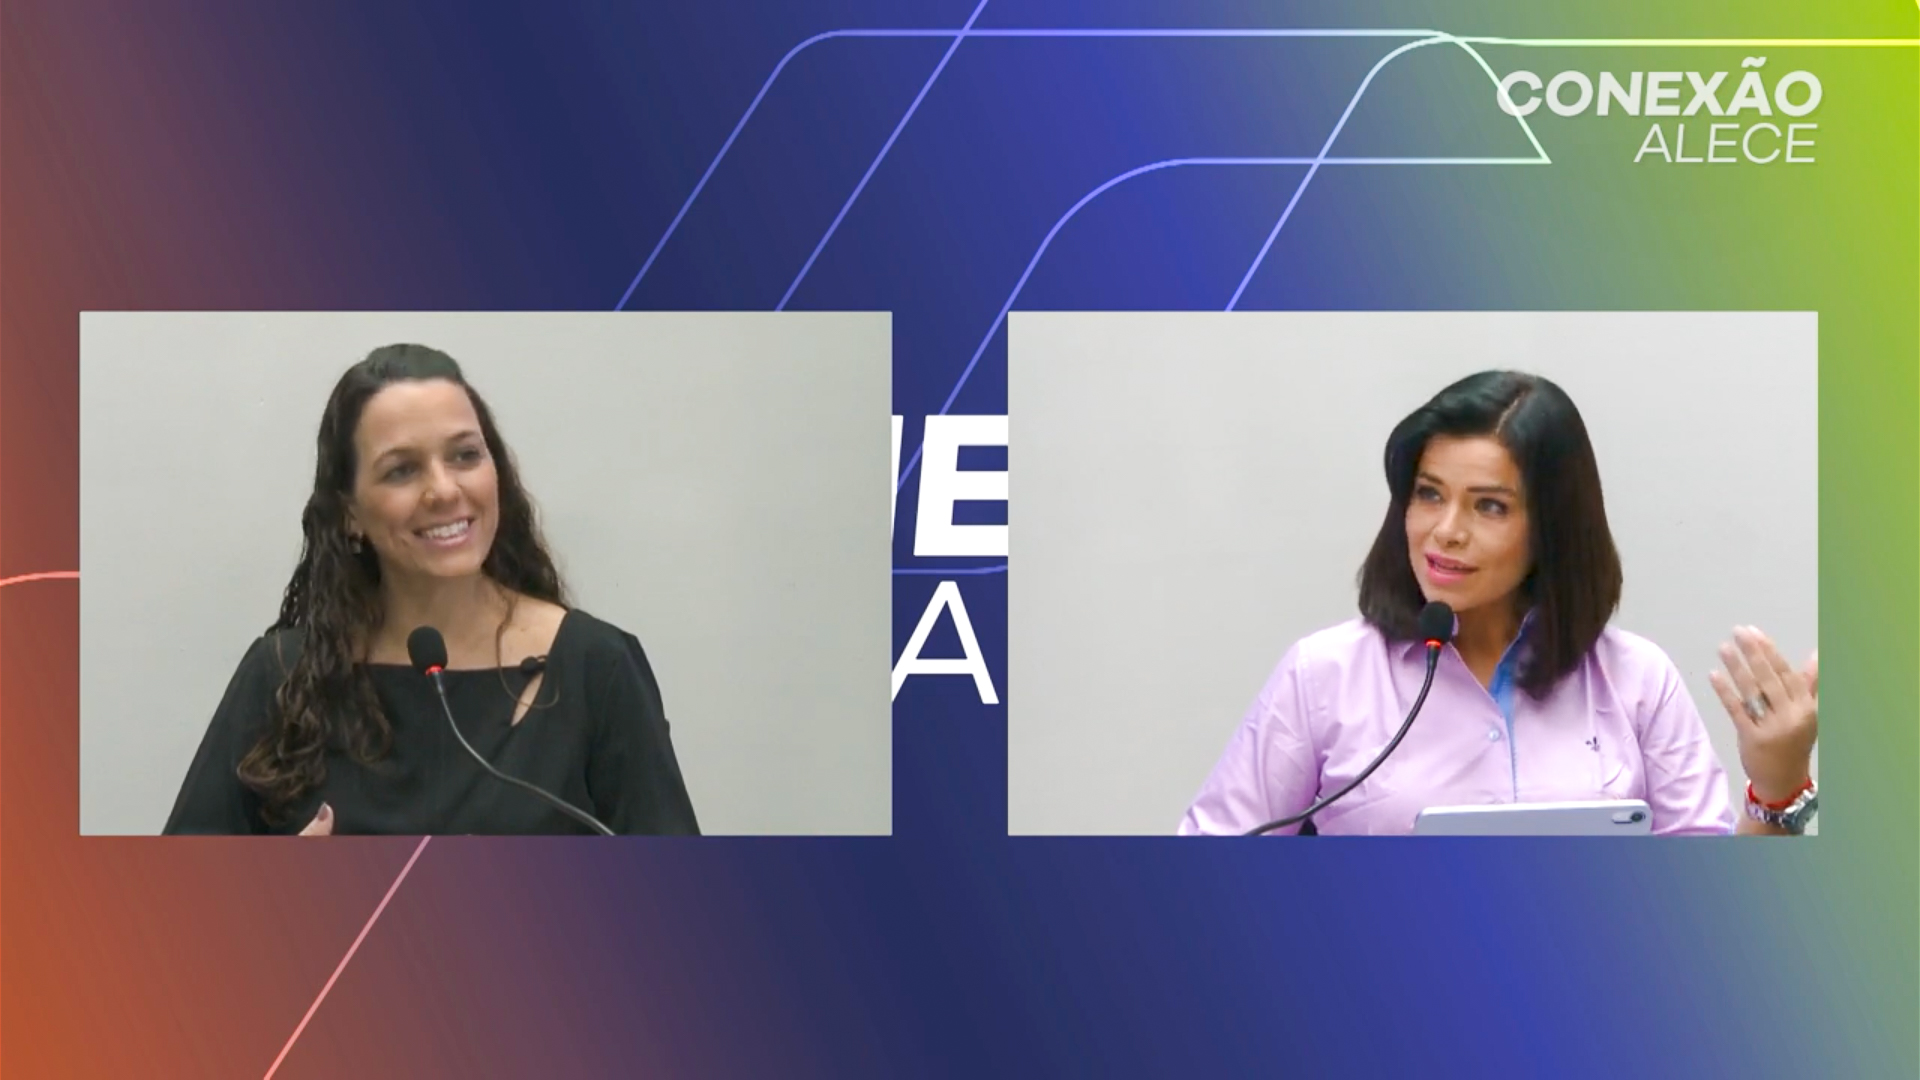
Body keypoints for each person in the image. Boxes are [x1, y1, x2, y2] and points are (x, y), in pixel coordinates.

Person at [1179, 369, 1812, 837]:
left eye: (1489, 506)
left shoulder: (1637, 680)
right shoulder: (1324, 675)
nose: (1445, 530)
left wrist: (1777, 785)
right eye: (1429, 494)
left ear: (1553, 529)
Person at [164, 344, 700, 835]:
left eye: (465, 456)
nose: (444, 490)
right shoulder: (280, 676)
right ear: (350, 514)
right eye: (402, 471)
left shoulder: (596, 667)